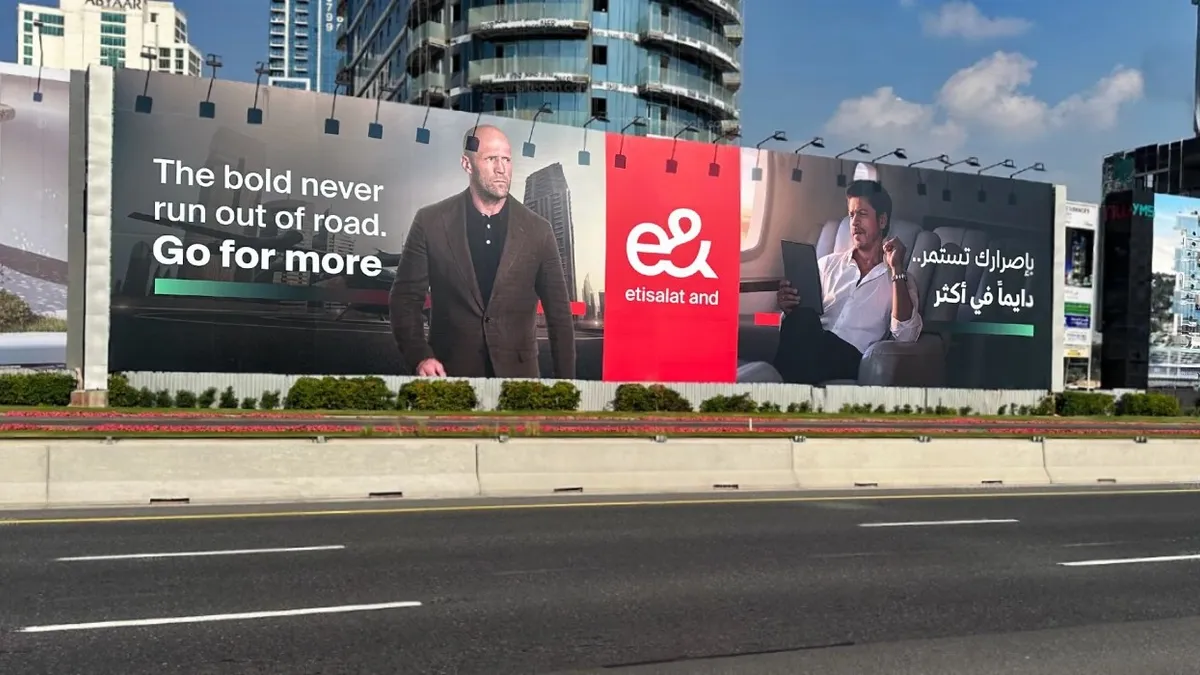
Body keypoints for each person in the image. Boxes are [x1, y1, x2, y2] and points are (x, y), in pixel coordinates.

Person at [389, 124, 576, 379]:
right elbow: (405, 299)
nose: (501, 169)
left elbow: (559, 316)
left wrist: (567, 386)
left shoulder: (538, 230)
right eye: (491, 159)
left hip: (518, 381)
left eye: (506, 159)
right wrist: (420, 356)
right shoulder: (430, 221)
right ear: (467, 164)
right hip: (449, 377)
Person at [772, 179, 922, 384]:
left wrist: (896, 268)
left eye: (862, 214)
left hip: (850, 358)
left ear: (882, 221)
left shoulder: (901, 281)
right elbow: (795, 324)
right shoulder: (827, 265)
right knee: (802, 319)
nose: (855, 222)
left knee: (803, 325)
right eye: (851, 215)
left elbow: (906, 336)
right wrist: (789, 307)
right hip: (811, 344)